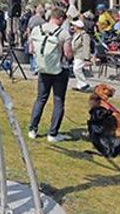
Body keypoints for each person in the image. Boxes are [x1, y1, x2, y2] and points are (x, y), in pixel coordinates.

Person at [27, 8, 73, 142]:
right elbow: (68, 54)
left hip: (43, 69)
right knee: (58, 100)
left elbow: (31, 49)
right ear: (60, 19)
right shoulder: (63, 33)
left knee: (40, 99)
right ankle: (53, 133)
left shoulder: (37, 30)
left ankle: (32, 129)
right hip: (59, 70)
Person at [71, 19, 93, 93]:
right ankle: (80, 85)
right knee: (77, 70)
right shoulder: (75, 35)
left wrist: (87, 58)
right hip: (76, 55)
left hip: (81, 55)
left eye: (74, 26)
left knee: (76, 69)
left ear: (77, 27)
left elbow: (86, 46)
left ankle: (84, 84)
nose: (73, 27)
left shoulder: (84, 35)